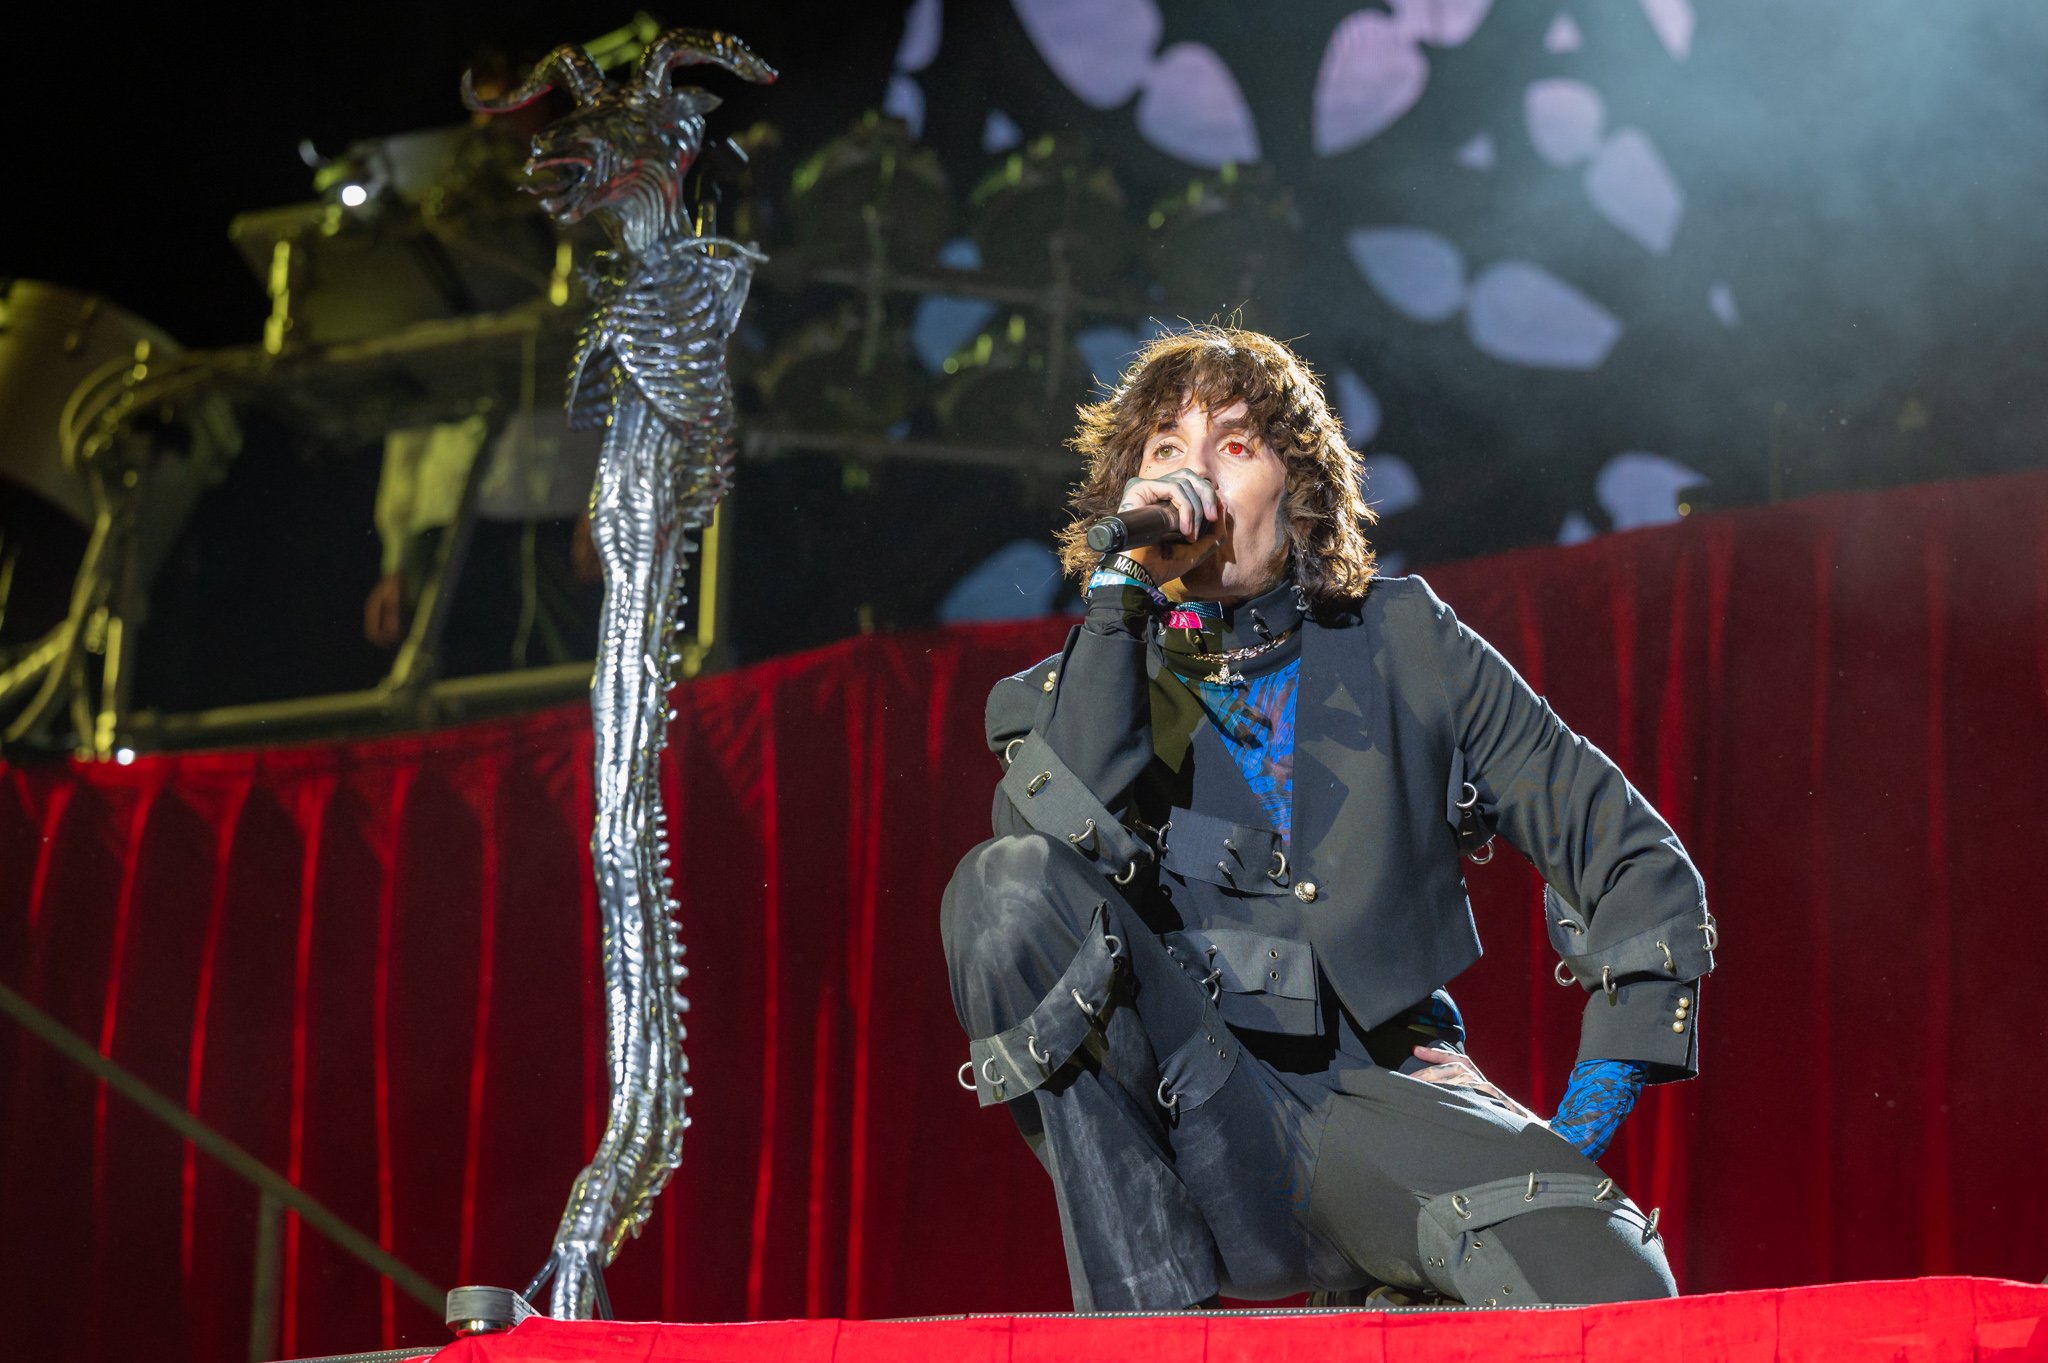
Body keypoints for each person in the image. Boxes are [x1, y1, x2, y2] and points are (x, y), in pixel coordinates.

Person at [940, 326, 1716, 1311]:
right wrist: (1118, 601)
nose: (1195, 478)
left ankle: (1398, 1271)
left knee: (1609, 1282)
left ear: (1295, 488)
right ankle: (1149, 1329)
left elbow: (1634, 863)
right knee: (1002, 887)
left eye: (1232, 443)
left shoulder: (1404, 641)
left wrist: (1575, 1132)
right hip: (1200, 1116)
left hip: (1379, 1092)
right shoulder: (1068, 693)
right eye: (1164, 451)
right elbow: (1050, 867)